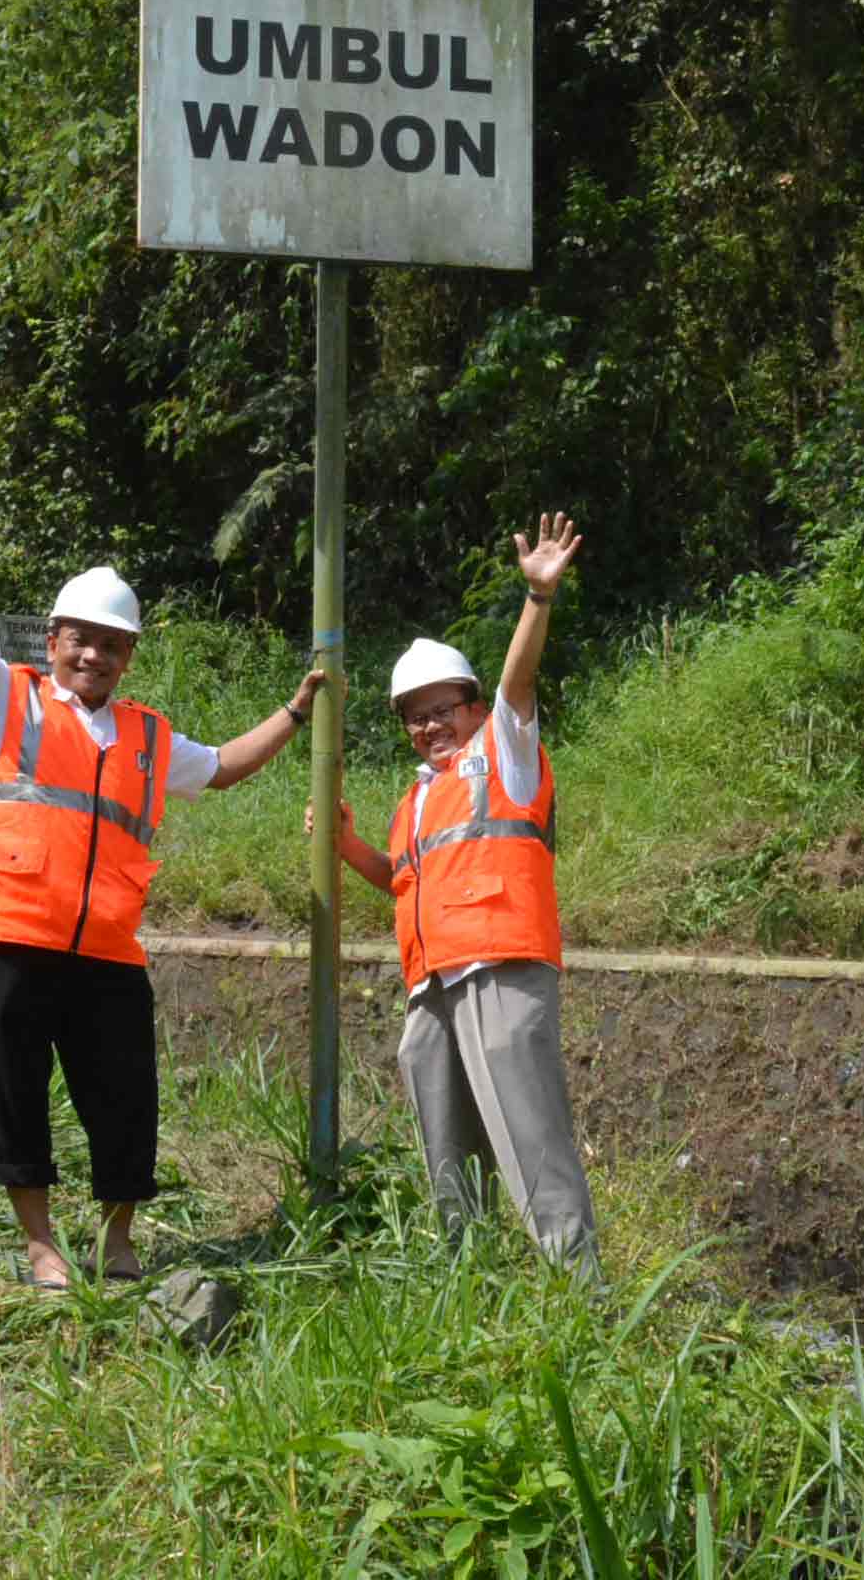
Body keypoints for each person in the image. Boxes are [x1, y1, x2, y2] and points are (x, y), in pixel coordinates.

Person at [0, 460, 324, 1291]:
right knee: (19, 1099)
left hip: (107, 952)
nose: (94, 654)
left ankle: (118, 1239)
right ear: (53, 642)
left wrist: (294, 713)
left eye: (111, 644)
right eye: (80, 638)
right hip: (4, 934)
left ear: (130, 656)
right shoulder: (8, 699)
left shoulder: (148, 738)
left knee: (125, 1102)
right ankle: (43, 1246)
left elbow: (223, 767)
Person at [317, 511, 598, 1273]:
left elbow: (519, 683)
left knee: (530, 1137)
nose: (431, 725)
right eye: (415, 716)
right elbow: (400, 880)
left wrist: (536, 600)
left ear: (475, 708)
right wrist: (346, 846)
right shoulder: (417, 799)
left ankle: (582, 1294)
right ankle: (467, 1282)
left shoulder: (503, 753)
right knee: (446, 1147)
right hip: (432, 985)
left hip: (501, 969)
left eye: (444, 709)